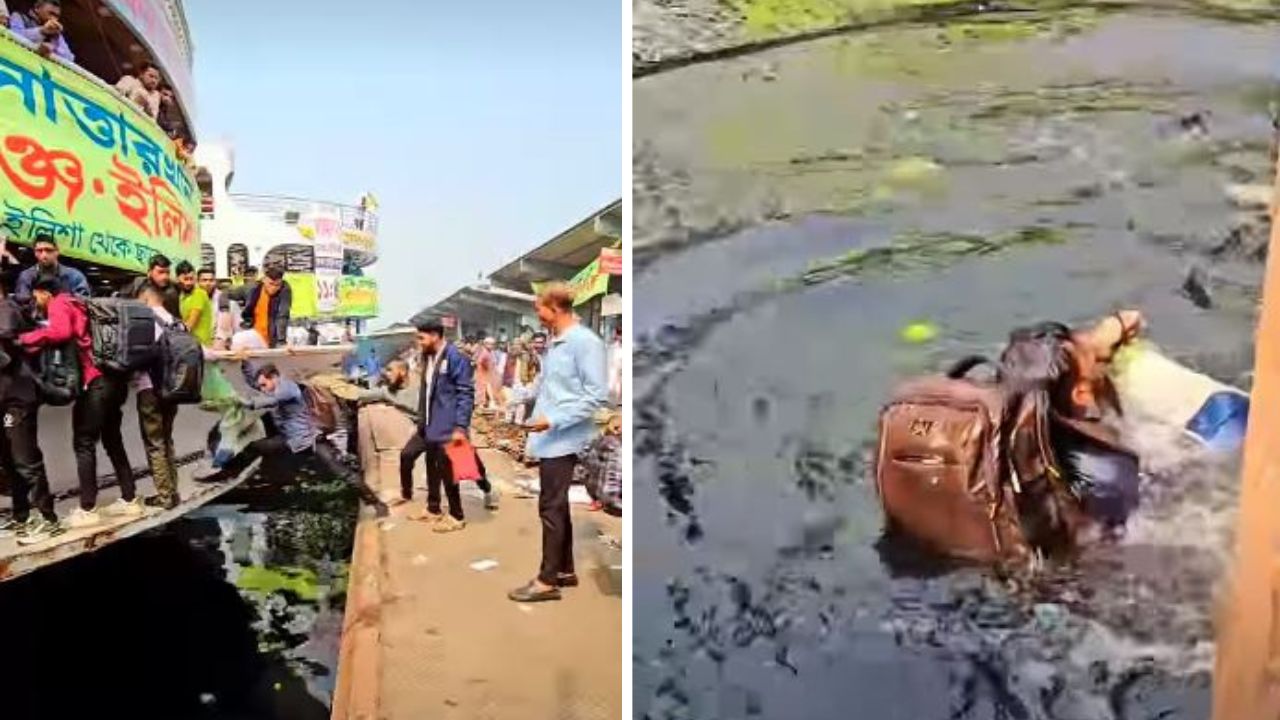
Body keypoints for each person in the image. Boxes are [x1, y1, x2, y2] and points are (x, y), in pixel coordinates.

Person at [508, 284, 609, 603]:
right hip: (551, 435)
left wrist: (553, 420)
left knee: (550, 506)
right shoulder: (557, 342)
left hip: (565, 437)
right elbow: (547, 384)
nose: (537, 315)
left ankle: (546, 580)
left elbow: (596, 397)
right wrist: (518, 397)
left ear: (555, 308)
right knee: (558, 504)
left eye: (539, 308)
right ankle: (564, 569)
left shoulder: (585, 343)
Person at [20, 276, 140, 528]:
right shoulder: (80, 303)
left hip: (96, 381)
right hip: (114, 379)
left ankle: (88, 508)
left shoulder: (60, 303)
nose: (35, 301)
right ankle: (130, 499)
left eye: (35, 296)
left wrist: (26, 339)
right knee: (112, 440)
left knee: (83, 442)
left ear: (44, 293)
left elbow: (60, 332)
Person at [193, 364, 385, 513]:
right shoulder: (274, 387)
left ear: (274, 378)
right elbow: (255, 383)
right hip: (290, 441)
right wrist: (244, 362)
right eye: (261, 386)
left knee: (343, 473)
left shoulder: (288, 389)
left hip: (309, 443)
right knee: (254, 447)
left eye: (264, 385)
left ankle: (377, 503)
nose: (263, 389)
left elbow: (266, 401)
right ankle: (227, 474)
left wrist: (239, 400)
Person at [402, 317, 494, 532]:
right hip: (430, 424)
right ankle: (433, 508)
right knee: (427, 462)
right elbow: (427, 392)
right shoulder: (428, 357)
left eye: (421, 338)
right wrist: (421, 421)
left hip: (449, 425)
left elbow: (465, 393)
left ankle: (457, 514)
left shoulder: (455, 357)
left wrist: (460, 427)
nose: (419, 342)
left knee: (454, 467)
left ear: (435, 336)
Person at [0, 275, 62, 545]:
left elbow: (6, 353)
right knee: (10, 461)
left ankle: (49, 520)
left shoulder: (6, 309)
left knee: (25, 460)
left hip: (18, 397)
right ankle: (21, 516)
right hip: (6, 397)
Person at [133, 286, 182, 509]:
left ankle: (164, 496)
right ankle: (174, 491)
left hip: (149, 387)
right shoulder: (177, 323)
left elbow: (137, 356)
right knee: (167, 439)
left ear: (145, 298)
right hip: (173, 389)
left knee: (155, 442)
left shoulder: (144, 322)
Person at [14, 233, 90, 305]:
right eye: (39, 251)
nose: (44, 255)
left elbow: (84, 302)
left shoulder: (74, 276)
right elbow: (22, 303)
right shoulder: (26, 276)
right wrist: (35, 299)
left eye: (48, 250)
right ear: (35, 253)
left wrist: (60, 301)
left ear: (57, 251)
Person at [241, 266, 291, 348]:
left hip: (271, 336)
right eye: (271, 284)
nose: (273, 288)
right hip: (253, 333)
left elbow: (282, 315)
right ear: (264, 280)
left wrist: (281, 341)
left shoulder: (284, 289)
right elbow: (228, 293)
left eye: (277, 285)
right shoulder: (253, 288)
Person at [9, 0, 73, 63]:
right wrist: (41, 31)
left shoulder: (55, 32)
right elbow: (14, 37)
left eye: (56, 16)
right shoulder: (18, 16)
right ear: (37, 8)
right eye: (51, 13)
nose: (54, 19)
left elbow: (69, 58)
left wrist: (57, 39)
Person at [174, 261, 214, 347]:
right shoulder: (181, 296)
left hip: (200, 346)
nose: (189, 283)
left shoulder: (199, 294)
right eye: (185, 279)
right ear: (177, 279)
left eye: (191, 279)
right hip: (188, 344)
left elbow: (190, 324)